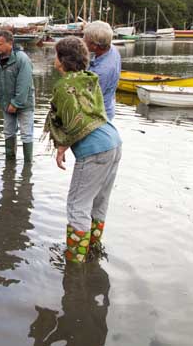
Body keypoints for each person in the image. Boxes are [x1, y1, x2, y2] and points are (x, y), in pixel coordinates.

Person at [44, 36, 122, 264]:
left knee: (77, 205)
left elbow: (69, 122)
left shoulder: (64, 87)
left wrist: (61, 144)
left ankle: (75, 263)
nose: (54, 59)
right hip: (113, 141)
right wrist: (63, 147)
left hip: (94, 149)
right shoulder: (88, 78)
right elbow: (85, 116)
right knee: (99, 202)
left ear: (63, 60)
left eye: (56, 55)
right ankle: (93, 251)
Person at [0, 30, 35, 162]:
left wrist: (16, 103)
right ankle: (10, 164)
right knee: (8, 132)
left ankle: (27, 166)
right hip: (6, 103)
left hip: (24, 104)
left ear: (10, 43)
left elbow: (24, 84)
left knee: (26, 134)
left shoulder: (22, 59)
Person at [83, 21, 121, 120]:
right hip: (109, 104)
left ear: (95, 46)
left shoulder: (101, 72)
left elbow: (88, 100)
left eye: (85, 38)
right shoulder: (110, 48)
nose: (83, 40)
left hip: (99, 116)